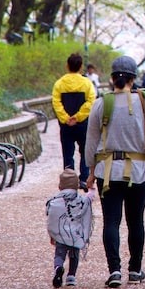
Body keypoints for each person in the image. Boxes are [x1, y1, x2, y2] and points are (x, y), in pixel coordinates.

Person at [84, 55, 145, 288]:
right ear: (134, 80)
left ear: (112, 78)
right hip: (139, 171)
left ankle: (114, 270)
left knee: (111, 221)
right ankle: (135, 270)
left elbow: (91, 141)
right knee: (136, 221)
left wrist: (91, 172)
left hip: (107, 172)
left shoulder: (102, 103)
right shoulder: (144, 103)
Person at [52, 53, 96, 190]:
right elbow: (91, 101)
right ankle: (84, 178)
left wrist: (66, 118)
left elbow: (56, 102)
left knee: (68, 152)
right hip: (83, 124)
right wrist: (78, 117)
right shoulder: (86, 83)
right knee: (84, 152)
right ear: (81, 67)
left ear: (67, 65)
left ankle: (69, 181)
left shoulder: (59, 83)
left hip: (66, 126)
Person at [46, 168, 94, 288]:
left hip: (60, 234)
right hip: (75, 235)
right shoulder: (81, 200)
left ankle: (58, 268)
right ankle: (71, 276)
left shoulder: (55, 201)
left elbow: (51, 217)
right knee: (74, 255)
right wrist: (90, 188)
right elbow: (90, 198)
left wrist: (52, 234)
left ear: (60, 186)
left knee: (59, 255)